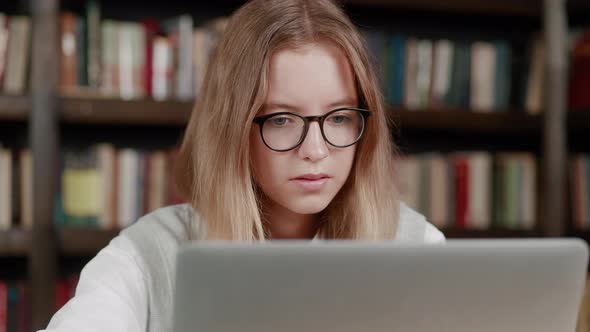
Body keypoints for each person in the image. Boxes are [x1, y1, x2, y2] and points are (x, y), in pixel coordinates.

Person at [40, 0, 445, 331]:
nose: (316, 150)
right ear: (232, 130)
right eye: (282, 119)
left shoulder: (416, 246)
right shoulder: (150, 256)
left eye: (339, 117)